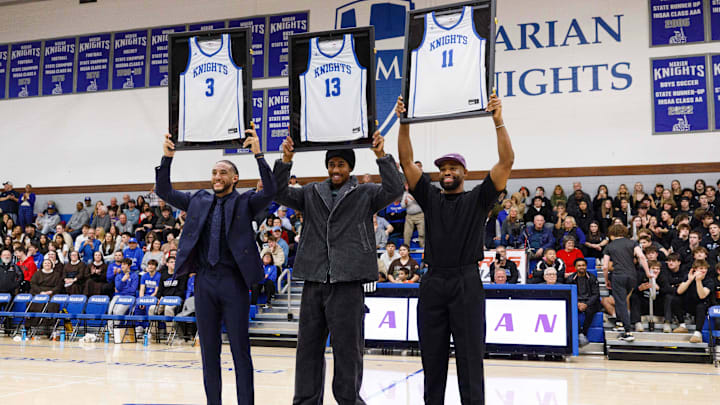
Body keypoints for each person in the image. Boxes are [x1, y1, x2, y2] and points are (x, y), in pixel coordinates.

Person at [397, 93, 513, 405]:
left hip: (466, 282)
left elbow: (506, 162)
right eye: (443, 168)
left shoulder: (478, 198)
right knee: (431, 361)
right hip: (432, 281)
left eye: (453, 167)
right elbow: (406, 161)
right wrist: (403, 122)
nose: (447, 171)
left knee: (470, 360)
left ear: (463, 171)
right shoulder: (431, 197)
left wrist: (498, 120)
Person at [273, 125, 402, 405]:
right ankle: (306, 401)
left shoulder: (365, 192)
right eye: (331, 164)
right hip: (314, 279)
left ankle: (349, 400)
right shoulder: (310, 192)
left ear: (350, 168)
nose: (335, 169)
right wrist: (285, 161)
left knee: (348, 351)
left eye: (341, 164)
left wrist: (381, 155)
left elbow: (396, 188)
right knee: (307, 349)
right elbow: (278, 192)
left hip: (348, 282)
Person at [157, 126, 275, 405]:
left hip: (234, 282)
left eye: (223, 172)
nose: (217, 176)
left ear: (235, 178)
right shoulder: (198, 199)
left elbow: (271, 190)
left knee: (239, 350)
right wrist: (167, 159)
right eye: (214, 172)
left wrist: (258, 154)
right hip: (205, 281)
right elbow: (163, 189)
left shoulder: (245, 201)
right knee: (208, 352)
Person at [602, 223, 652, 342]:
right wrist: (648, 273)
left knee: (621, 303)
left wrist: (606, 280)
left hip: (618, 276)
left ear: (612, 234)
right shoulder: (633, 243)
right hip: (632, 276)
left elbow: (604, 266)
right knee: (624, 300)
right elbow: (641, 256)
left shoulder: (609, 246)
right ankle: (620, 323)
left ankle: (627, 331)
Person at [676, 260, 714, 343]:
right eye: (701, 268)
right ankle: (682, 325)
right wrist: (689, 280)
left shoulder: (709, 281)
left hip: (702, 306)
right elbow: (679, 291)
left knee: (701, 306)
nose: (703, 271)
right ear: (694, 270)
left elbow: (702, 296)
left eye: (705, 268)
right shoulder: (688, 276)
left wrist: (698, 281)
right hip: (689, 303)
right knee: (675, 299)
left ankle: (697, 333)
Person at [566, 258, 600, 347]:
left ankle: (583, 334)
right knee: (571, 311)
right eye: (579, 265)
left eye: (583, 265)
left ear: (586, 266)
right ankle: (580, 334)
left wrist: (586, 304)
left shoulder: (592, 278)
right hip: (576, 302)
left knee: (590, 311)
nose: (581, 267)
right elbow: (569, 294)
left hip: (589, 302)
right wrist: (577, 303)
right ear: (575, 267)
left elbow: (596, 294)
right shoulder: (570, 279)